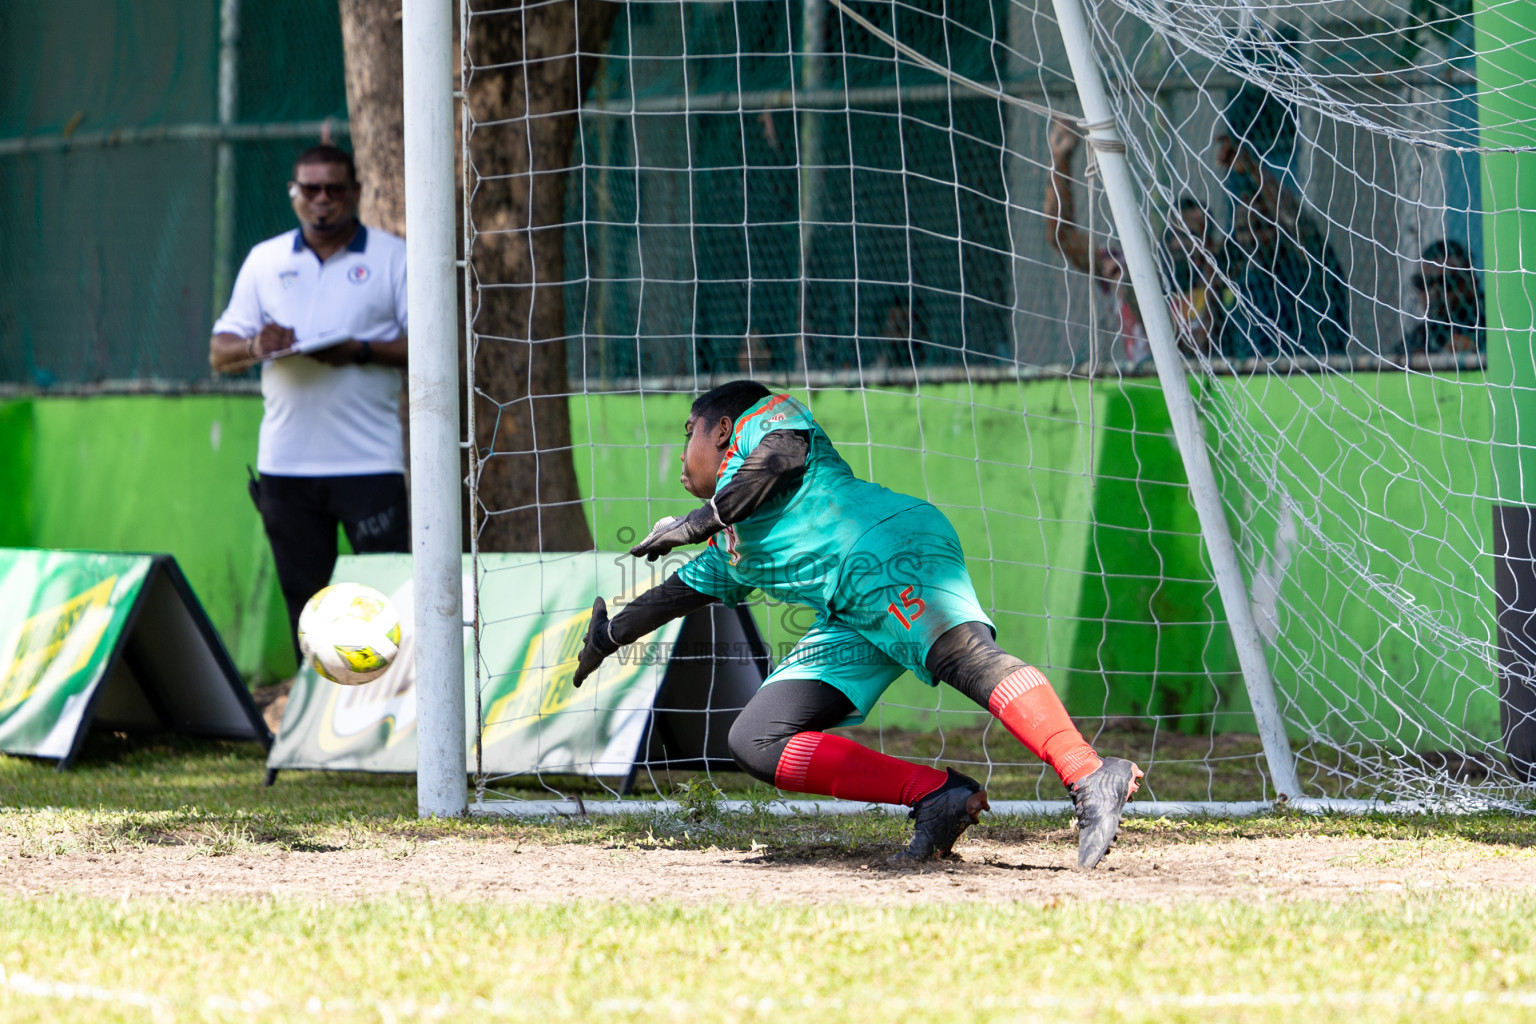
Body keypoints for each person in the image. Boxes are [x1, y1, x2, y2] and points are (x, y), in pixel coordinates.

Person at [571, 380, 1143, 867]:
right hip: (849, 614)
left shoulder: (765, 420)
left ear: (722, 430)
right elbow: (675, 595)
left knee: (963, 657)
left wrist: (701, 518)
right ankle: (939, 797)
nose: (680, 453)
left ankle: (1089, 771)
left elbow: (781, 459)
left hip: (885, 549)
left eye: (688, 431)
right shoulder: (731, 547)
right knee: (755, 739)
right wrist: (608, 637)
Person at [209, 145, 410, 656]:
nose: (322, 200)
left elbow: (432, 347)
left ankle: (392, 718)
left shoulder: (393, 256)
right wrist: (258, 345)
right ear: (294, 194)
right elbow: (219, 351)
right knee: (306, 606)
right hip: (286, 466)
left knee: (386, 605)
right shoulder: (266, 259)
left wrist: (358, 350)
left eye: (335, 189)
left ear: (356, 193)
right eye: (310, 189)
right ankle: (316, 724)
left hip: (370, 463)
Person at [1045, 121, 1218, 362]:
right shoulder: (1129, 270)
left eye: (1193, 236)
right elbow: (1060, 235)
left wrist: (1211, 281)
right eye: (1176, 235)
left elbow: (1194, 349)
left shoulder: (1222, 288)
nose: (1182, 245)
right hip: (1142, 387)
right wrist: (1060, 160)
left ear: (1209, 244)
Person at [1215, 134, 1350, 359]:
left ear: (1278, 228)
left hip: (1311, 374)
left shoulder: (1307, 266)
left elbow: (1296, 222)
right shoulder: (1242, 277)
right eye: (1243, 230)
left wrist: (1254, 169)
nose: (1250, 238)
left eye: (1259, 226)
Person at [1402, 239, 1484, 355]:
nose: (1434, 292)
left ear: (1471, 284)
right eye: (1424, 283)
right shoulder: (1425, 332)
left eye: (1446, 283)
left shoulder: (1488, 321)